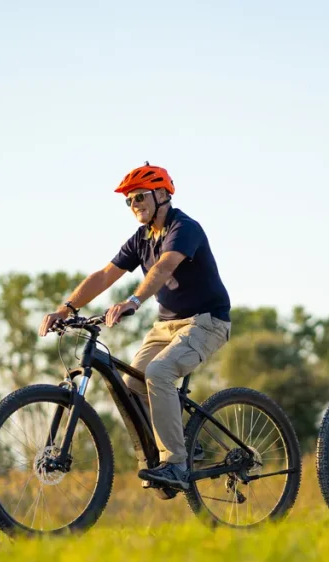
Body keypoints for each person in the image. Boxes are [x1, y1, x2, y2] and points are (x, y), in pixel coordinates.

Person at [39, 163, 231, 495]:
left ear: (161, 195)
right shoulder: (141, 239)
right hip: (167, 326)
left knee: (159, 371)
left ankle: (176, 462)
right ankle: (169, 453)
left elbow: (163, 267)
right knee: (130, 384)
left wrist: (133, 300)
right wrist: (66, 308)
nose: (134, 206)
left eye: (139, 197)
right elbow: (103, 275)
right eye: (128, 201)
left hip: (206, 321)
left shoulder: (183, 228)